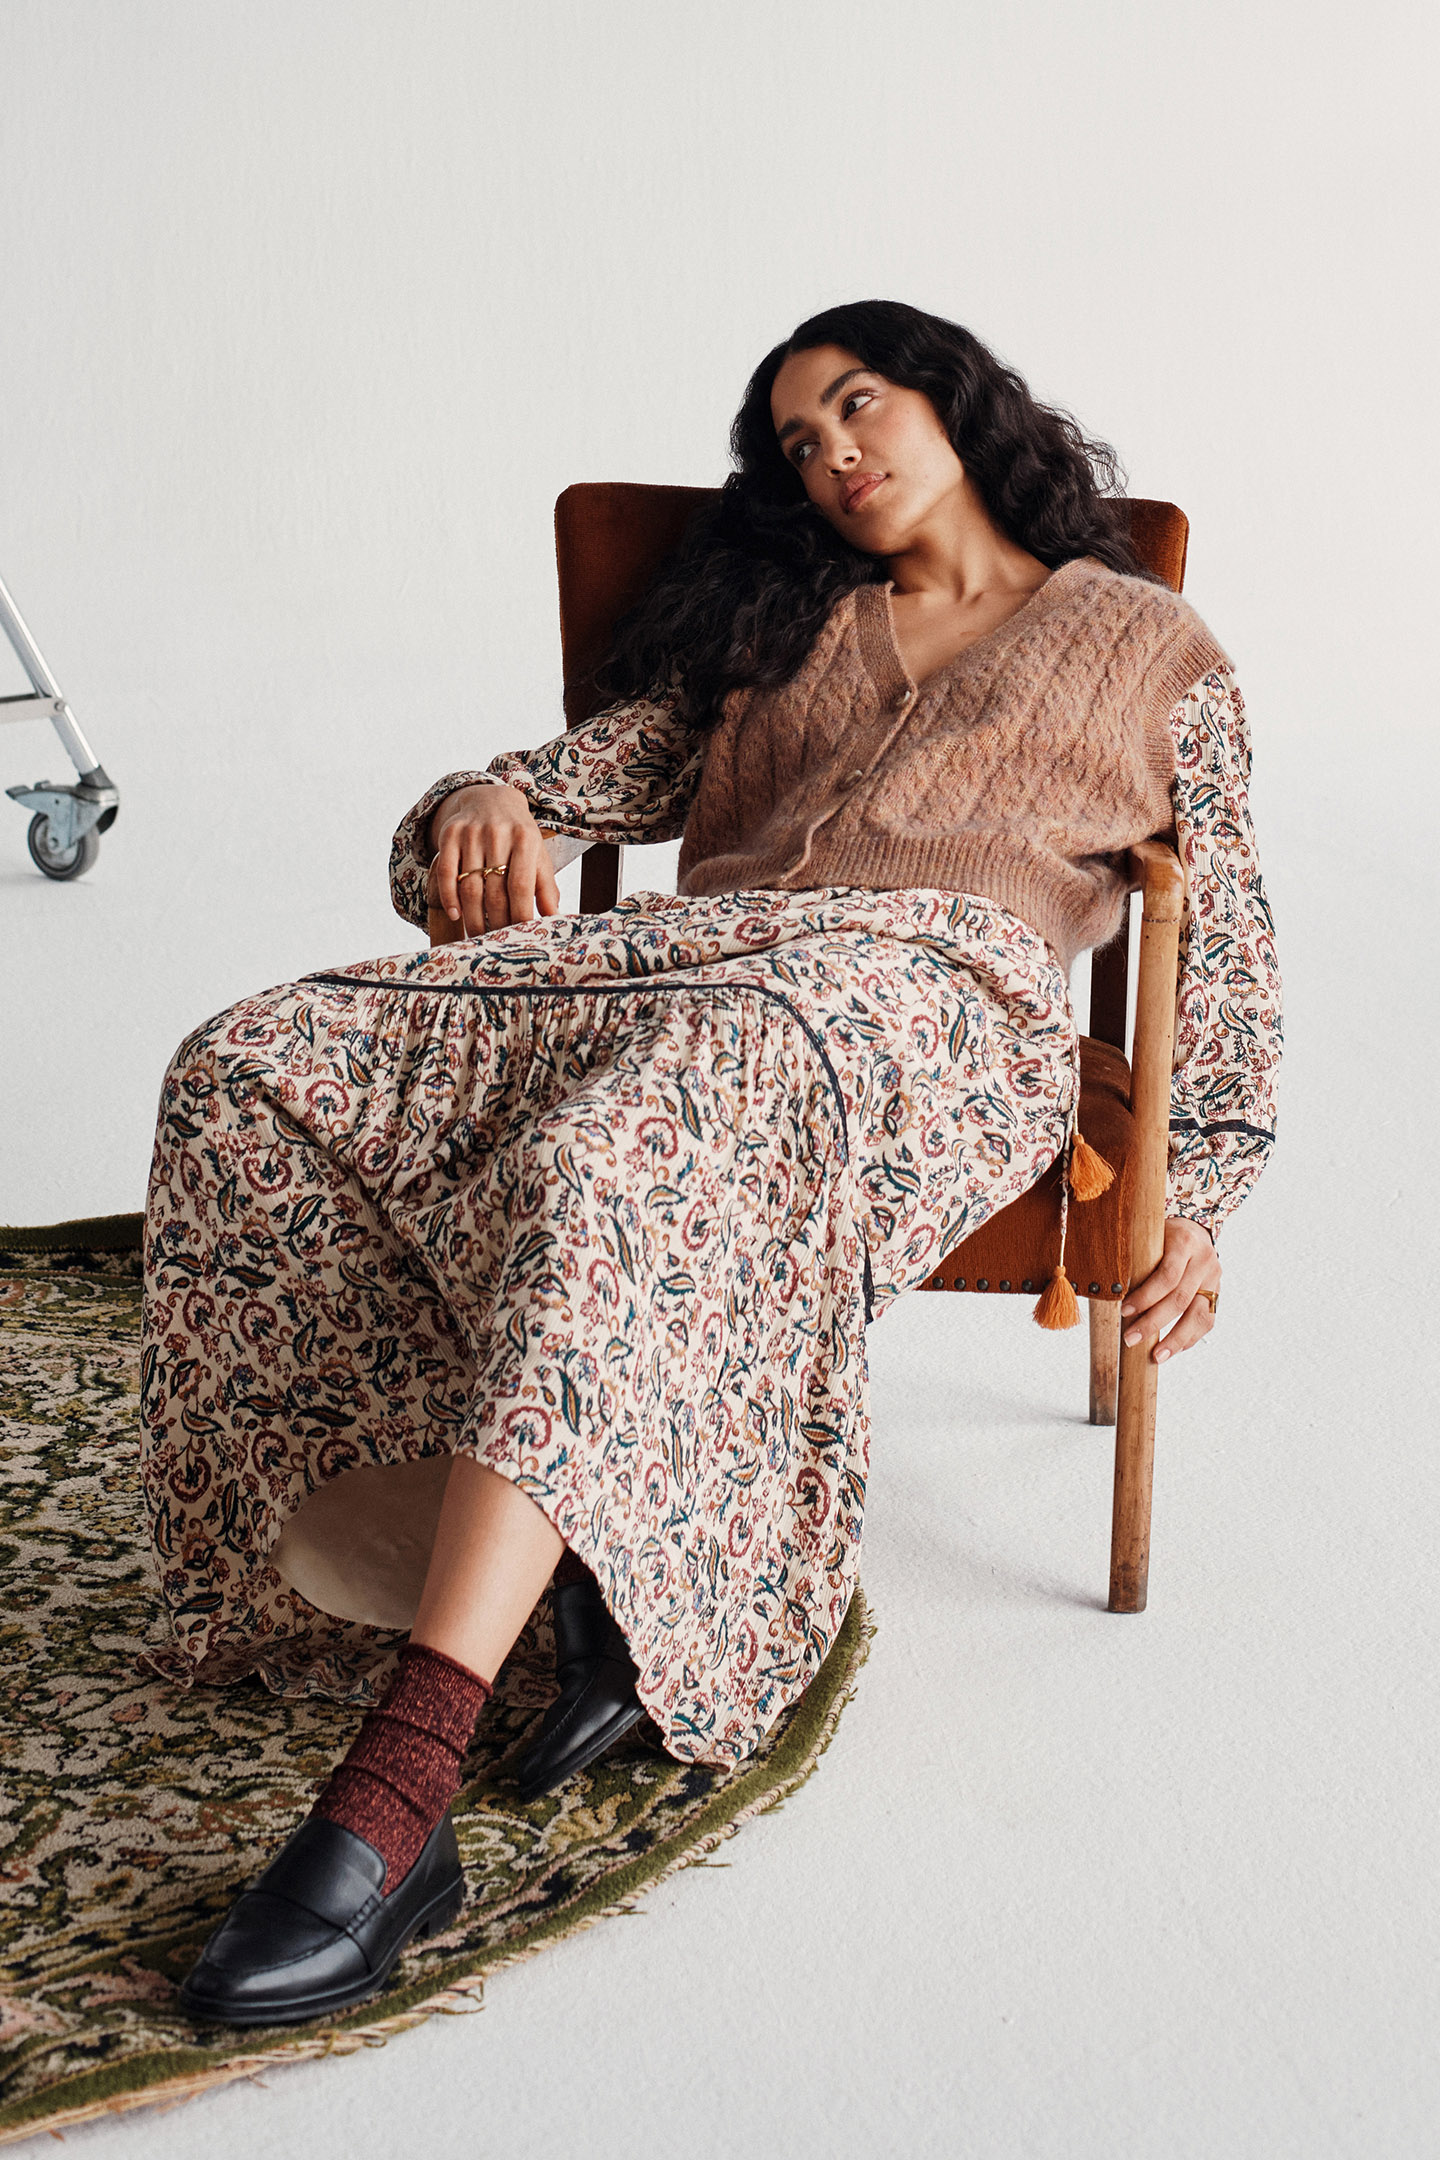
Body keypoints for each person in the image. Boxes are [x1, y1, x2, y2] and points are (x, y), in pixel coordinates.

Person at [142, 301, 1281, 2024]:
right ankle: (575, 1534)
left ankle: (399, 1798)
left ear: (957, 401)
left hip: (935, 1005)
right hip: (695, 966)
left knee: (621, 1148)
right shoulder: (781, 625)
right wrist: (484, 799)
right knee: (254, 1063)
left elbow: (1234, 936)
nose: (837, 455)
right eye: (802, 445)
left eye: (861, 404)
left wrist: (1200, 1185)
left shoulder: (1151, 644)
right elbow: (584, 780)